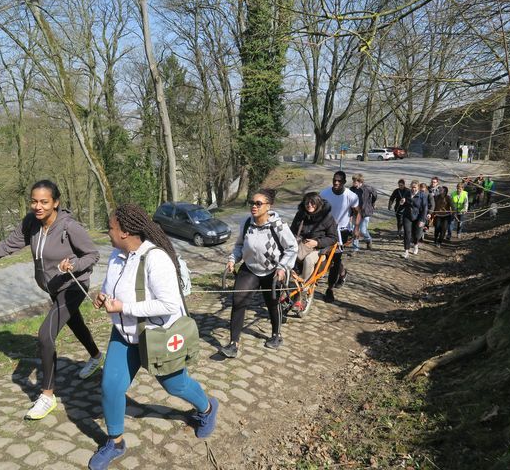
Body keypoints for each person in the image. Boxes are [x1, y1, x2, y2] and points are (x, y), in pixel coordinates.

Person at [88, 203, 218, 470]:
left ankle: (206, 409)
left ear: (125, 232)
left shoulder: (156, 259)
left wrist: (124, 308)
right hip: (124, 336)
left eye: (111, 228)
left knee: (175, 386)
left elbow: (169, 304)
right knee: (111, 387)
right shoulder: (115, 255)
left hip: (157, 337)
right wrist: (103, 297)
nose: (108, 233)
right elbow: (110, 286)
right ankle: (116, 442)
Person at [0, 180, 103, 420]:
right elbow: (7, 246)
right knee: (74, 322)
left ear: (55, 203)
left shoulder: (69, 227)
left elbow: (92, 254)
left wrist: (74, 264)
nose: (38, 206)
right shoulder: (31, 224)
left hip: (73, 286)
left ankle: (47, 396)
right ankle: (97, 356)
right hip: (53, 287)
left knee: (45, 335)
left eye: (44, 202)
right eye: (34, 201)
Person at [221, 188, 297, 357]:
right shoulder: (247, 223)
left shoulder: (278, 226)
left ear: (268, 206)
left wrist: (283, 267)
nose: (254, 206)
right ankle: (233, 343)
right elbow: (239, 245)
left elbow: (292, 248)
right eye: (252, 203)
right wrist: (233, 259)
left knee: (272, 302)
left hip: (272, 270)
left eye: (258, 203)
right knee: (238, 300)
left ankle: (276, 335)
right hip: (250, 269)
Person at [320, 171, 360, 303]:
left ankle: (329, 289)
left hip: (341, 231)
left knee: (335, 258)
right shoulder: (324, 194)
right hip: (325, 229)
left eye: (339, 181)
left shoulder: (351, 196)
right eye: (334, 180)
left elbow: (357, 212)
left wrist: (356, 228)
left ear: (344, 182)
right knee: (325, 257)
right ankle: (342, 273)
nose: (336, 183)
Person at [289, 192, 337, 288]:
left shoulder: (327, 217)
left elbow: (333, 238)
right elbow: (292, 231)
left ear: (318, 203)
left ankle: (304, 287)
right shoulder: (300, 214)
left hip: (318, 249)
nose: (309, 205)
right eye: (307, 203)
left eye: (312, 203)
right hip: (301, 246)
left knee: (309, 259)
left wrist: (317, 243)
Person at [402, 180, 428, 259]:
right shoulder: (407, 193)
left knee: (416, 235)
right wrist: (402, 202)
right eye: (412, 187)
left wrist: (422, 220)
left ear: (418, 187)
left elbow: (425, 208)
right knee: (407, 233)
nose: (413, 189)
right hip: (407, 216)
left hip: (418, 217)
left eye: (415, 187)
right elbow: (403, 203)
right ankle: (406, 251)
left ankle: (416, 245)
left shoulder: (422, 195)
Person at [351, 173, 377, 250]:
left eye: (354, 181)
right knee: (354, 230)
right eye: (353, 181)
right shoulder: (352, 189)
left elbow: (375, 195)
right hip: (355, 212)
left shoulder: (368, 188)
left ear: (360, 181)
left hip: (365, 212)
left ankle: (368, 239)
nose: (353, 183)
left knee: (363, 230)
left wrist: (372, 203)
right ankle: (355, 248)